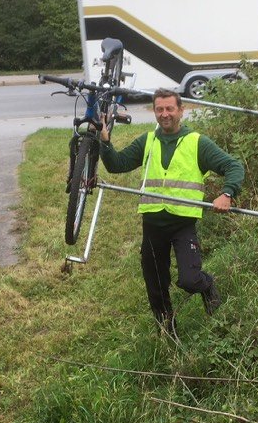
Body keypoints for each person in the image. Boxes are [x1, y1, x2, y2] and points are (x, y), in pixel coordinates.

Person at [99, 88, 244, 338]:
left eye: (170, 109)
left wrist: (227, 193)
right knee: (155, 284)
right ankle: (168, 334)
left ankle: (207, 285)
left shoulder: (197, 142)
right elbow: (117, 165)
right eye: (159, 109)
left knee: (189, 280)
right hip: (153, 225)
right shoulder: (148, 141)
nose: (165, 114)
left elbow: (233, 166)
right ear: (154, 111)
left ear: (181, 110)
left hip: (182, 224)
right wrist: (104, 141)